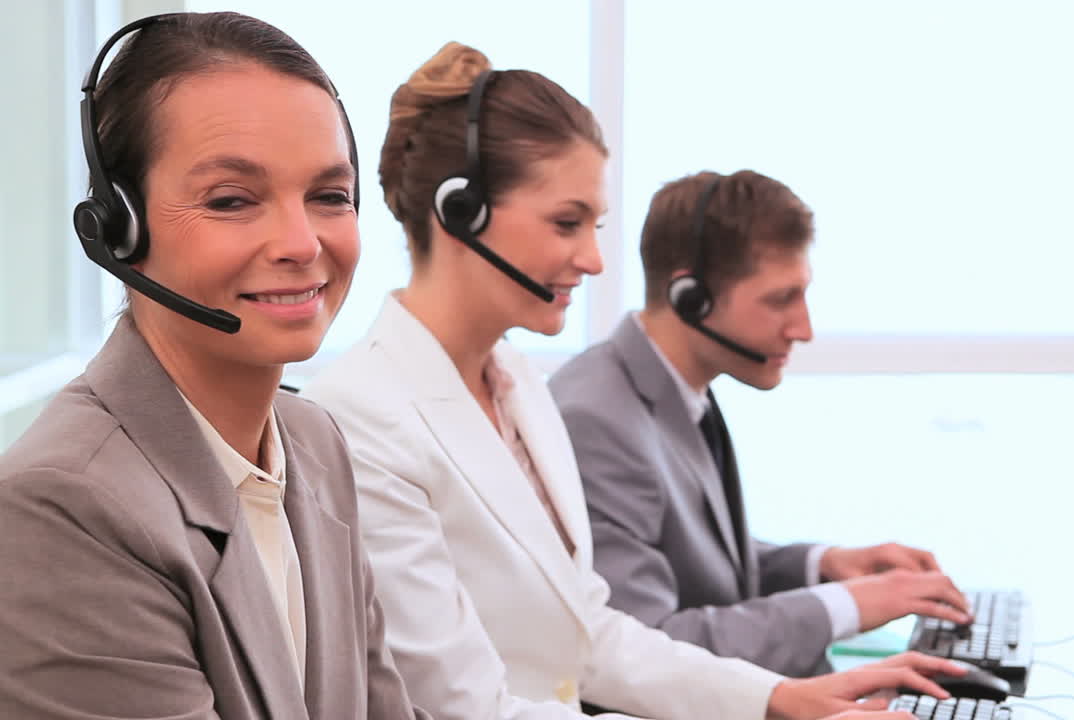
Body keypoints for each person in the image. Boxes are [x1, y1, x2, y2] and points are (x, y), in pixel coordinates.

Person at [305, 42, 963, 720]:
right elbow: (466, 707)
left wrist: (780, 699)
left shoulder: (520, 386)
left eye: (596, 226)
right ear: (460, 210)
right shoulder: (361, 418)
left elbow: (593, 636)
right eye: (567, 223)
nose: (592, 260)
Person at [0, 12, 428, 719]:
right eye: (232, 200)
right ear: (117, 227)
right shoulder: (62, 507)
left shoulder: (314, 442)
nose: (301, 242)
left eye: (329, 195)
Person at [548, 170, 973, 678]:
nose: (804, 329)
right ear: (691, 298)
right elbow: (646, 648)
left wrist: (824, 565)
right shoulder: (597, 420)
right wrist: (846, 605)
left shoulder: (673, 388)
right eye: (779, 300)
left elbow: (691, 561)